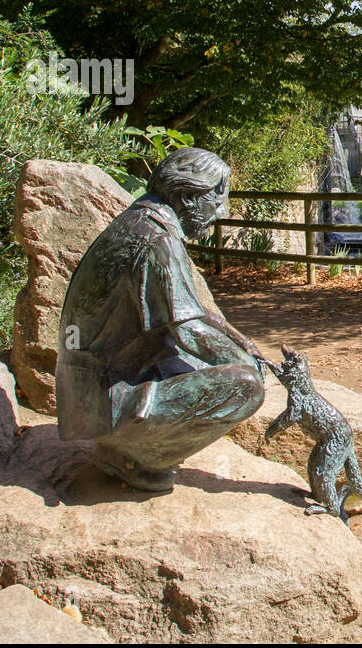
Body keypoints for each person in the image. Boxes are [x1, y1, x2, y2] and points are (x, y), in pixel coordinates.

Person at [56, 147, 271, 491]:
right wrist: (246, 364)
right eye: (215, 203)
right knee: (245, 386)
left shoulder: (142, 221)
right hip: (107, 397)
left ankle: (135, 443)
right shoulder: (157, 240)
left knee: (222, 365)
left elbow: (195, 312)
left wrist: (245, 345)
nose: (222, 213)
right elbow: (189, 330)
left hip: (94, 388)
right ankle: (133, 455)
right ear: (187, 196)